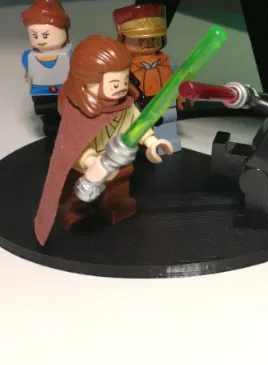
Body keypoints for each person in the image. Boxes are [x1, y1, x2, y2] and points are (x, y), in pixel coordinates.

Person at [33, 35, 173, 246]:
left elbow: (139, 125)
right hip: (85, 167)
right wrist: (91, 162)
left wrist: (152, 143)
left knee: (118, 189)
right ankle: (74, 211)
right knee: (75, 194)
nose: (121, 87)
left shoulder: (126, 106)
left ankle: (115, 205)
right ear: (86, 83)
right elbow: (72, 145)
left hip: (119, 161)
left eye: (124, 81)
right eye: (114, 83)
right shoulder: (79, 114)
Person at [113, 3, 183, 152]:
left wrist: (181, 93)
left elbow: (178, 79)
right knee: (136, 130)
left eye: (154, 37)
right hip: (138, 106)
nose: (148, 42)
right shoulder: (123, 64)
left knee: (167, 125)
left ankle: (166, 146)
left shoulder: (167, 61)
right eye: (140, 38)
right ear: (123, 37)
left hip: (165, 102)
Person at [20, 0, 72, 145]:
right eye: (35, 36)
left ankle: (67, 129)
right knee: (47, 114)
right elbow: (28, 72)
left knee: (68, 112)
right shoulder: (28, 56)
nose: (40, 40)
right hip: (41, 92)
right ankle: (51, 130)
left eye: (46, 35)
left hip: (65, 90)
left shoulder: (69, 54)